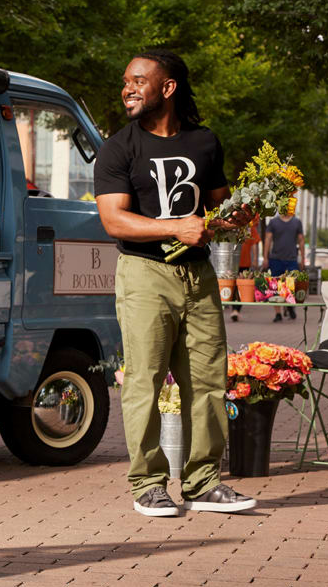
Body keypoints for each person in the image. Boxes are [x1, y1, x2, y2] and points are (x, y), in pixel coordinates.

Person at [94, 48, 256, 517]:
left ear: (167, 88)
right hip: (145, 274)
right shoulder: (119, 146)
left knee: (207, 380)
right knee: (144, 380)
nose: (128, 88)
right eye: (126, 80)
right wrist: (175, 226)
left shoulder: (205, 142)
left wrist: (237, 216)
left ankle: (204, 483)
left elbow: (220, 209)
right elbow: (114, 221)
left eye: (139, 80)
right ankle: (148, 483)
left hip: (199, 275)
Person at [264, 212, 305, 322]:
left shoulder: (297, 222)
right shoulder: (273, 222)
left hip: (291, 259)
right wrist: (265, 257)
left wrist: (303, 258)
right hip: (276, 259)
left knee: (290, 286)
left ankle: (290, 306)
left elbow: (301, 240)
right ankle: (278, 313)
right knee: (276, 287)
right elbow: (267, 239)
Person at [229, 217, 261, 322]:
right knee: (232, 286)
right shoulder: (230, 226)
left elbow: (255, 243)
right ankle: (233, 308)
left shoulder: (249, 227)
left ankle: (236, 310)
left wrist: (255, 258)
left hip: (244, 262)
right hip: (231, 263)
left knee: (242, 288)